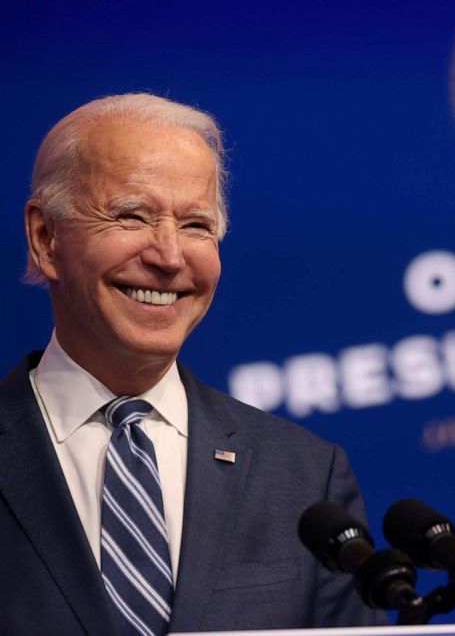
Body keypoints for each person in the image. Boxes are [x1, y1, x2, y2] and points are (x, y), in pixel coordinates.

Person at [0, 93, 384, 634]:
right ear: (45, 238)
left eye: (197, 226)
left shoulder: (304, 478)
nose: (169, 256)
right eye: (131, 216)